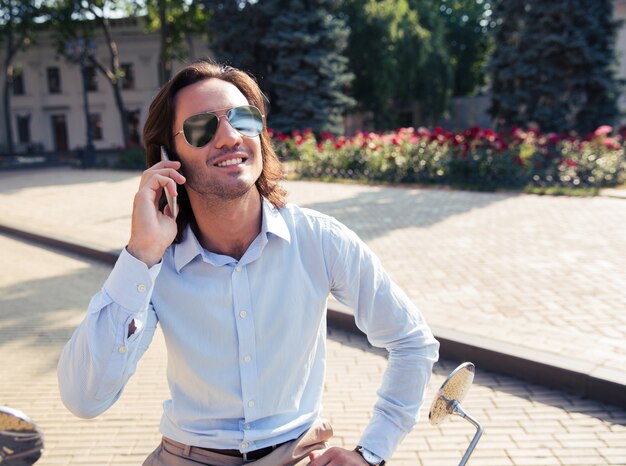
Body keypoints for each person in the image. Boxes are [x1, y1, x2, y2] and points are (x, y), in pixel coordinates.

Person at [57, 59, 439, 466]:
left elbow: (412, 341)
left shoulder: (320, 240)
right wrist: (140, 254)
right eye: (202, 127)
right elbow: (85, 398)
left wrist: (371, 452)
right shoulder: (153, 263)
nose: (229, 137)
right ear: (169, 157)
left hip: (296, 453)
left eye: (243, 118)